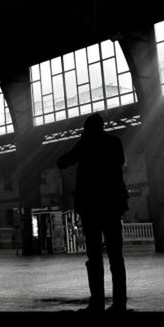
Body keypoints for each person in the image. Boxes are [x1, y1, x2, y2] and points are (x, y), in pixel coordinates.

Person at [57, 113, 129, 313]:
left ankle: (97, 302)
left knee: (94, 256)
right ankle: (119, 303)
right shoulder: (114, 142)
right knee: (116, 256)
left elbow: (62, 162)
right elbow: (119, 163)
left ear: (88, 128)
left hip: (91, 207)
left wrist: (81, 143)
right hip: (113, 205)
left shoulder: (85, 144)